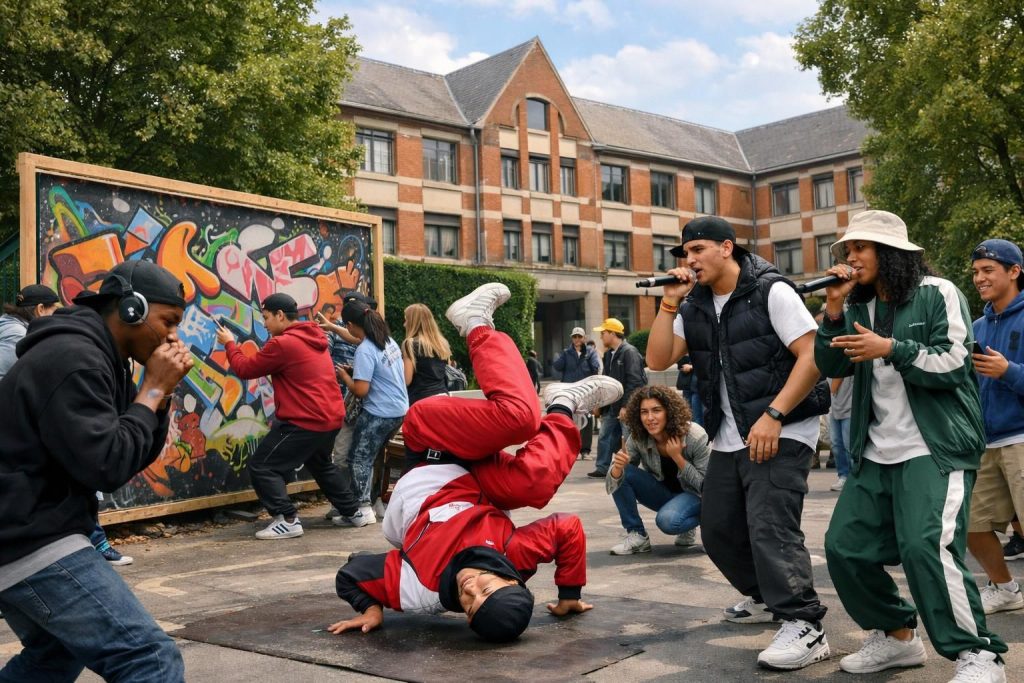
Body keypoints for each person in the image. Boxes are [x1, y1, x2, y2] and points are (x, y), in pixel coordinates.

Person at [329, 283, 623, 641]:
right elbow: (567, 528)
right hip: (476, 476)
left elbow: (352, 572)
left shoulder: (419, 588)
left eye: (469, 604)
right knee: (535, 480)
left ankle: (481, 329)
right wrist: (569, 594)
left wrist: (371, 607)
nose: (470, 588)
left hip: (431, 445)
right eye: (485, 588)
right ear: (511, 580)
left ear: (466, 618)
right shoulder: (514, 556)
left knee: (520, 418)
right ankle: (559, 400)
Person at [816, 211, 1008, 682]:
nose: (851, 257)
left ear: (890, 253)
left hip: (935, 446)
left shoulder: (938, 292)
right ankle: (897, 636)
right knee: (844, 547)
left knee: (926, 546)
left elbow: (955, 363)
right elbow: (830, 365)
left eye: (860, 248)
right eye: (847, 249)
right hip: (875, 449)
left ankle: (980, 654)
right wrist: (834, 310)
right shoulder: (857, 305)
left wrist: (892, 348)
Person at [645, 215, 831, 671]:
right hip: (731, 436)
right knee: (719, 529)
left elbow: (813, 356)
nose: (690, 260)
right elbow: (658, 358)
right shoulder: (695, 304)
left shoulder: (770, 290)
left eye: (698, 250)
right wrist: (669, 303)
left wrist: (774, 415)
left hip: (783, 427)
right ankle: (766, 596)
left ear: (727, 248)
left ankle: (805, 623)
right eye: (685, 253)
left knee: (770, 527)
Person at [0, 260, 190, 681]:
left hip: (28, 526)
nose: (174, 337)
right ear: (132, 310)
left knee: (57, 654)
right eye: (169, 322)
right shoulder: (75, 358)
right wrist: (152, 390)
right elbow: (106, 464)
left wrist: (159, 395)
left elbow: (129, 451)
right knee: (150, 659)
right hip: (27, 534)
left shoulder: (104, 357)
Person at [216, 292, 368, 538]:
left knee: (263, 466)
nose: (264, 324)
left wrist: (229, 343)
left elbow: (245, 369)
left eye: (266, 317)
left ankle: (287, 519)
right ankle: (353, 512)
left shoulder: (283, 344)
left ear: (279, 315)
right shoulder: (314, 336)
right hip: (331, 416)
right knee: (320, 464)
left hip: (306, 420)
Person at [966, 239, 1024, 616]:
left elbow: (1008, 374)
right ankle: (1004, 588)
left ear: (1014, 271)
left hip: (1021, 438)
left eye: (988, 270)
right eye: (975, 272)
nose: (979, 278)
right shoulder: (976, 326)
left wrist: (1009, 371)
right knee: (971, 524)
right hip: (985, 443)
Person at [605, 386, 711, 554]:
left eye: (656, 410)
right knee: (624, 471)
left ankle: (710, 527)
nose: (650, 418)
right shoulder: (639, 436)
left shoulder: (694, 436)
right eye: (644, 412)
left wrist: (678, 458)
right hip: (665, 494)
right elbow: (613, 483)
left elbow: (707, 487)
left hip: (696, 496)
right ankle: (637, 535)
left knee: (668, 522)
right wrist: (617, 468)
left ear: (669, 411)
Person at [334, 297, 409, 522]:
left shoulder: (365, 349)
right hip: (398, 410)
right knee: (375, 457)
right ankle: (374, 503)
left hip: (379, 412)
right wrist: (356, 371)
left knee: (359, 459)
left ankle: (362, 509)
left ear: (350, 325)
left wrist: (345, 376)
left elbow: (361, 390)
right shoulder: (387, 340)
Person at [588, 318, 646, 479]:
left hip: (625, 407)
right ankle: (602, 468)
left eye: (603, 333)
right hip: (611, 406)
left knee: (628, 440)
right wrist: (598, 404)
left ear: (613, 334)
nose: (601, 336)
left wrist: (626, 406)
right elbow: (604, 381)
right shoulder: (609, 354)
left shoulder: (629, 352)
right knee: (604, 436)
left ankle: (630, 470)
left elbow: (635, 381)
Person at [553, 326, 601, 458]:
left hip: (586, 391)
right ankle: (571, 449)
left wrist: (588, 357)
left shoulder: (590, 352)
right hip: (569, 391)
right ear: (572, 338)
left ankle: (585, 451)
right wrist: (560, 356)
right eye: (575, 336)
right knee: (570, 419)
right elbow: (557, 366)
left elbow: (596, 368)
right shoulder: (566, 352)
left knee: (587, 420)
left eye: (580, 336)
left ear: (584, 338)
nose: (577, 339)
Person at [0, 284, 60, 380]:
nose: (56, 316)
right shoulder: (17, 334)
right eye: (55, 310)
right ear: (40, 309)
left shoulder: (11, 323)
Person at [401, 303, 451, 406]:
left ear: (414, 323)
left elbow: (407, 380)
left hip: (422, 401)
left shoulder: (409, 344)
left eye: (406, 320)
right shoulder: (442, 343)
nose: (404, 324)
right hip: (444, 398)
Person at [675, 355, 703, 426]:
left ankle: (698, 432)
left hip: (697, 386)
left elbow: (707, 362)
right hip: (686, 384)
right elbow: (680, 365)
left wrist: (691, 367)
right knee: (687, 414)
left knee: (697, 416)